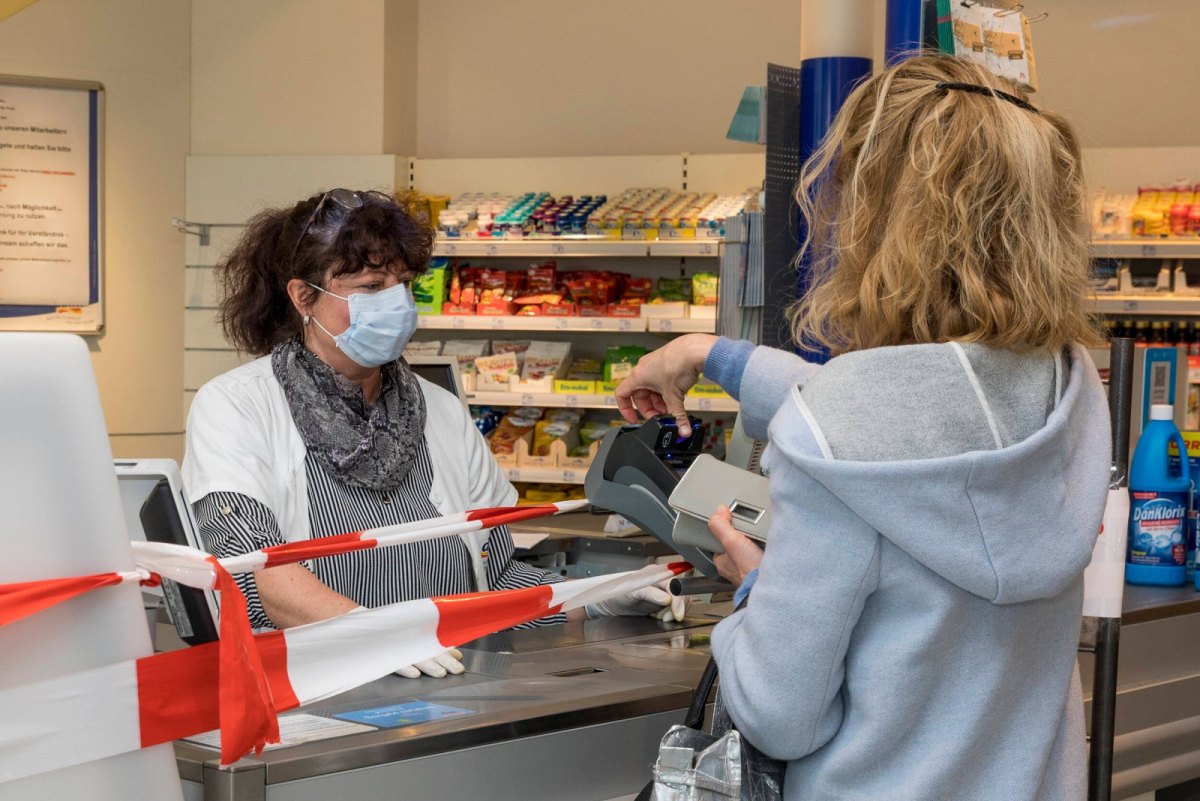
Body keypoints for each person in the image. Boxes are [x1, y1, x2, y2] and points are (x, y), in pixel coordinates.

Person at [615, 54, 1109, 801]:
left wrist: (756, 592)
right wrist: (704, 354)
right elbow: (913, 423)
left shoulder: (839, 431)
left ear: (880, 217)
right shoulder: (1070, 390)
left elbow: (781, 716)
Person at [183, 189, 684, 679]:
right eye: (371, 286)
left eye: (402, 283)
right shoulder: (237, 406)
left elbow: (498, 576)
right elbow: (255, 573)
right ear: (303, 297)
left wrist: (591, 600)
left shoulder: (439, 410)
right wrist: (377, 637)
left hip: (446, 682)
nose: (396, 302)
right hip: (308, 689)